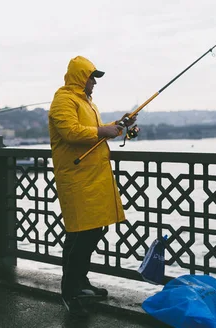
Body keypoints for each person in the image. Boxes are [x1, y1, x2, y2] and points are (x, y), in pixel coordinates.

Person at [48, 55, 137, 317]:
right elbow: (71, 132)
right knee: (81, 233)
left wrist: (118, 125)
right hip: (76, 178)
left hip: (92, 178)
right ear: (80, 77)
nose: (94, 83)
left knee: (91, 230)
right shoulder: (63, 100)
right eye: (91, 77)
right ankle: (70, 289)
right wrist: (102, 131)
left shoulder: (86, 102)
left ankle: (81, 282)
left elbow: (94, 129)